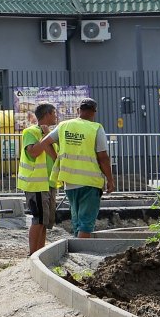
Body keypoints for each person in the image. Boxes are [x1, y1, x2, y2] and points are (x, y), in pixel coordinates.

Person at [43, 99, 116, 238]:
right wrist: (110, 180)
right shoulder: (96, 128)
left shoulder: (64, 125)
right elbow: (103, 157)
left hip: (69, 183)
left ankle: (77, 247)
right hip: (90, 182)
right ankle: (82, 249)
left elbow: (45, 143)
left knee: (77, 222)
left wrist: (57, 158)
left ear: (78, 110)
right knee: (86, 224)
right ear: (94, 112)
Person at [17, 103, 61, 255]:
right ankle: (33, 253)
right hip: (36, 183)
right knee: (38, 219)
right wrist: (46, 137)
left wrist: (48, 136)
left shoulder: (49, 134)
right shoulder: (31, 132)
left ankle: (39, 253)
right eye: (54, 113)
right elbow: (33, 152)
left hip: (49, 183)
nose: (56, 116)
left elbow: (54, 156)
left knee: (44, 221)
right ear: (47, 114)